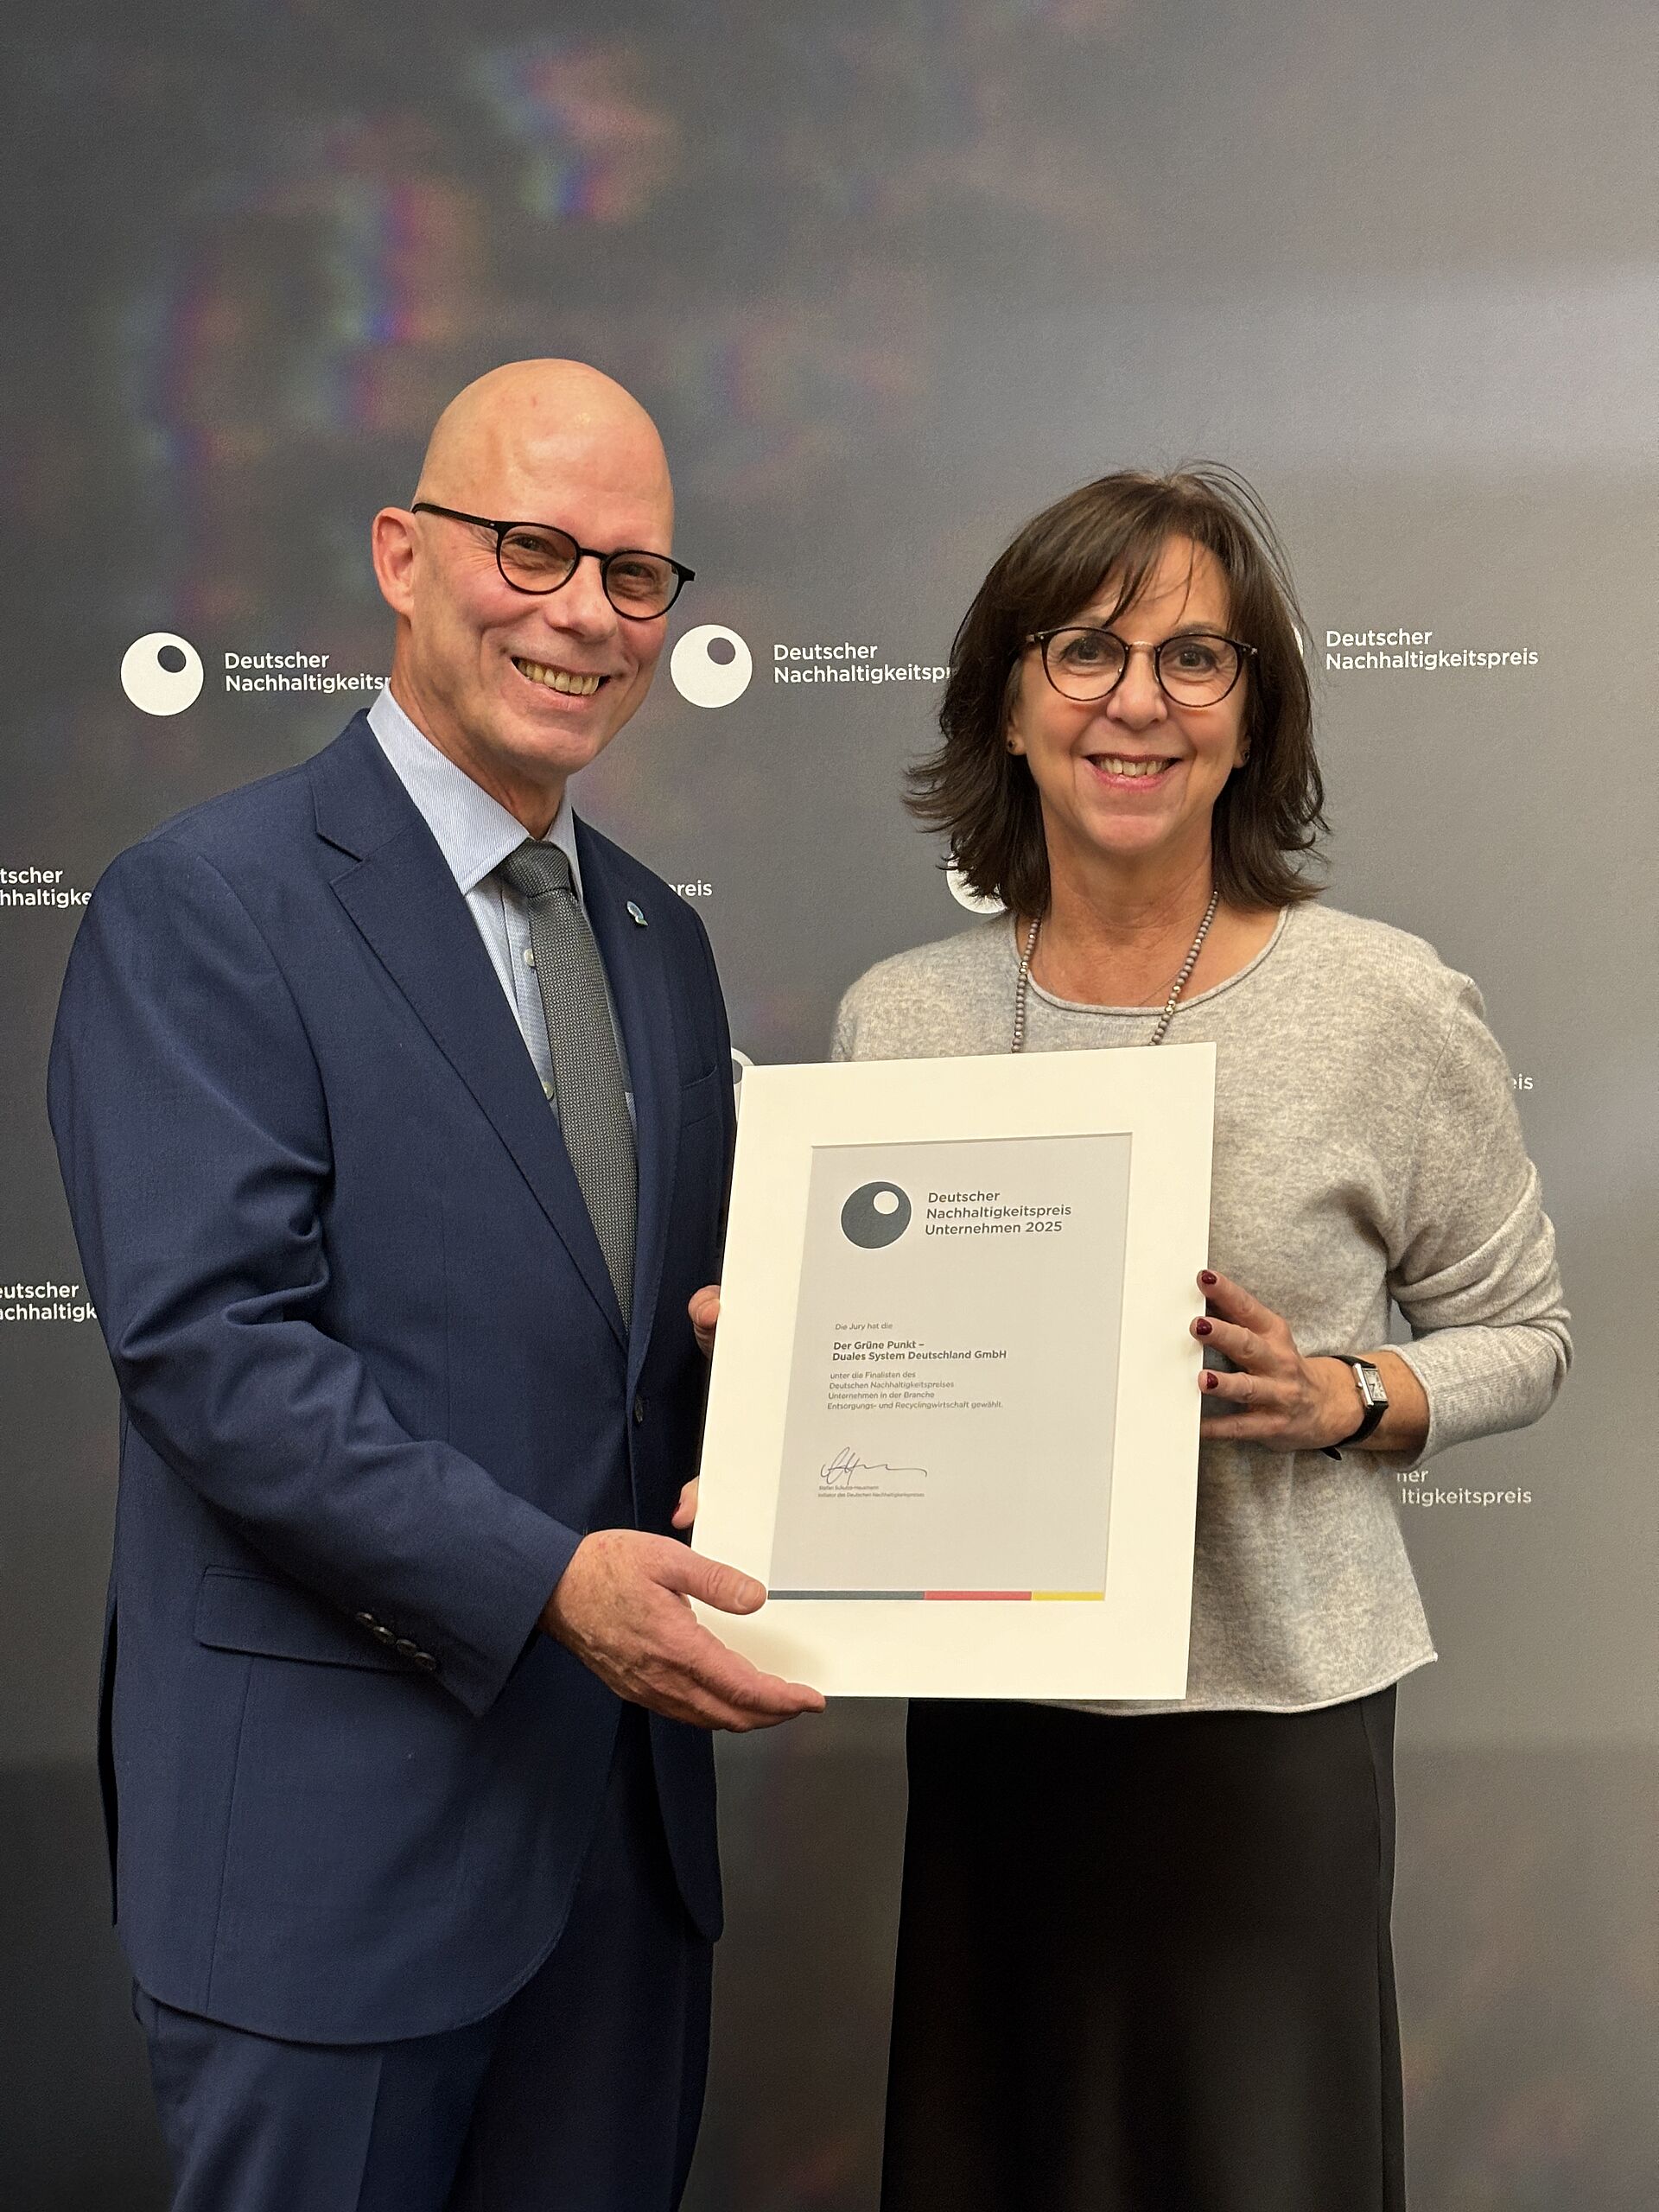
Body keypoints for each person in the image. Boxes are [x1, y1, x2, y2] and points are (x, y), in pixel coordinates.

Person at [48, 359, 821, 2212]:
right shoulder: (208, 903)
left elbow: (653, 1350)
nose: (584, 612)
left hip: (619, 1876)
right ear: (403, 554)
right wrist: (550, 1581)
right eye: (532, 546)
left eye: (634, 574)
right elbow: (215, 1352)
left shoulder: (658, 936)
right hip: (336, 1866)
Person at [830, 467, 1570, 2211]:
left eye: (1195, 659)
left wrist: (1344, 1394)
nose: (1136, 700)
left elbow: (1524, 1331)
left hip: (1268, 1733)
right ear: (1010, 702)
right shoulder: (901, 1017)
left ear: (1255, 721)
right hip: (998, 1730)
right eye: (1088, 649)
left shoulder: (1382, 1002)